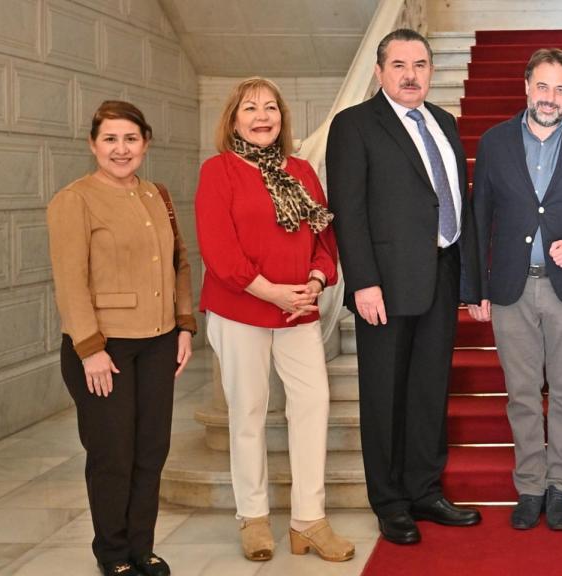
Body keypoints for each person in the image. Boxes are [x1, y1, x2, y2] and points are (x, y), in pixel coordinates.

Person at [326, 28, 482, 545]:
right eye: (399, 65)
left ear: (431, 71)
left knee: (428, 390)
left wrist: (467, 276)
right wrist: (364, 282)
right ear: (379, 71)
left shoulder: (444, 122)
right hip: (386, 286)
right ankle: (390, 502)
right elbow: (348, 211)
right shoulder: (354, 125)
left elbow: (456, 201)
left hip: (440, 272)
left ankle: (424, 490)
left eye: (419, 64)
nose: (411, 74)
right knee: (385, 394)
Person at [195, 77, 352, 563]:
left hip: (298, 311)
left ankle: (309, 519)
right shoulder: (218, 171)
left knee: (313, 404)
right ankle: (254, 517)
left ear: (282, 118)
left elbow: (325, 242)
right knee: (247, 412)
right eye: (251, 108)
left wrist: (315, 282)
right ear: (234, 118)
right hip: (241, 308)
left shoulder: (303, 171)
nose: (262, 116)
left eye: (271, 108)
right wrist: (271, 292)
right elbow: (219, 250)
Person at [468, 48, 562, 531]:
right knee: (522, 393)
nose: (550, 97)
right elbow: (479, 217)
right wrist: (476, 288)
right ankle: (530, 485)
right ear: (526, 86)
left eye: (560, 89)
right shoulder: (494, 142)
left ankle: (561, 487)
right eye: (542, 86)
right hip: (511, 289)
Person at [47, 100, 195, 576]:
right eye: (110, 139)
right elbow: (70, 280)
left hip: (158, 342)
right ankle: (113, 554)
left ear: (145, 143)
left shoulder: (157, 195)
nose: (120, 148)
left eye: (130, 138)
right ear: (93, 145)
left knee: (151, 449)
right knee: (113, 454)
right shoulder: (75, 199)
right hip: (103, 348)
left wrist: (184, 325)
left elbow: (180, 264)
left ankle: (141, 548)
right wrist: (88, 349)